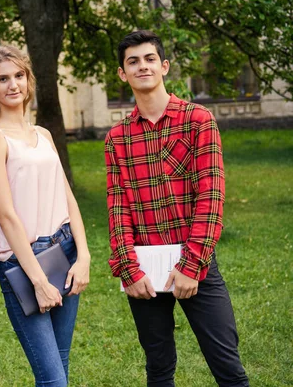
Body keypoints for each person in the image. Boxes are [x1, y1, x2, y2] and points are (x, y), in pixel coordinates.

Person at [105, 30, 249, 386]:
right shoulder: (117, 138)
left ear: (164, 66)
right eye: (132, 61)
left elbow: (211, 198)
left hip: (195, 262)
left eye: (149, 59)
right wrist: (128, 268)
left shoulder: (198, 121)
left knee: (227, 365)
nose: (142, 66)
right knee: (159, 367)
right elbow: (118, 206)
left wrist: (191, 266)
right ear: (122, 74)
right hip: (145, 268)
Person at [0, 45, 90, 387]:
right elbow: (6, 215)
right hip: (24, 263)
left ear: (29, 80)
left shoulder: (43, 134)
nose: (13, 85)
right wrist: (38, 280)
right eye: (3, 79)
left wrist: (83, 255)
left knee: (61, 365)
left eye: (19, 76)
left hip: (65, 250)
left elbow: (68, 198)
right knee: (53, 379)